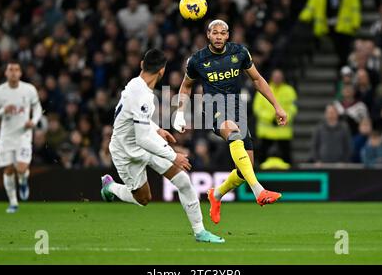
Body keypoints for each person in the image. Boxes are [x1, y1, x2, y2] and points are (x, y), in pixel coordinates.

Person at [100, 49, 224, 243]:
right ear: (162, 71)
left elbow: (134, 119)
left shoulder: (134, 84)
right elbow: (142, 140)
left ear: (142, 64)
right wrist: (174, 156)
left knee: (183, 181)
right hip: (126, 152)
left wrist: (156, 129)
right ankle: (111, 187)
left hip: (146, 139)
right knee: (143, 199)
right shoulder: (144, 97)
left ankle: (200, 232)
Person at [173, 19, 287, 225]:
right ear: (208, 35)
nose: (218, 36)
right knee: (232, 133)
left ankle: (216, 195)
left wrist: (277, 106)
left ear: (228, 35)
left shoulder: (240, 53)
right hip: (213, 110)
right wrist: (180, 113)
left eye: (222, 33)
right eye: (214, 33)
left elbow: (257, 80)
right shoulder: (197, 60)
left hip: (237, 110)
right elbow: (186, 87)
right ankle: (259, 191)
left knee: (245, 169)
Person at [0, 60, 42, 213]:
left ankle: (23, 181)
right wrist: (3, 110)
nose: (13, 72)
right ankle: (13, 203)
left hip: (24, 135)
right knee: (9, 169)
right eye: (10, 69)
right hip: (6, 136)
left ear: (20, 73)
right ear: (6, 73)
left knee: (21, 167)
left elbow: (37, 107)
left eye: (16, 70)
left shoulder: (29, 89)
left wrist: (34, 121)